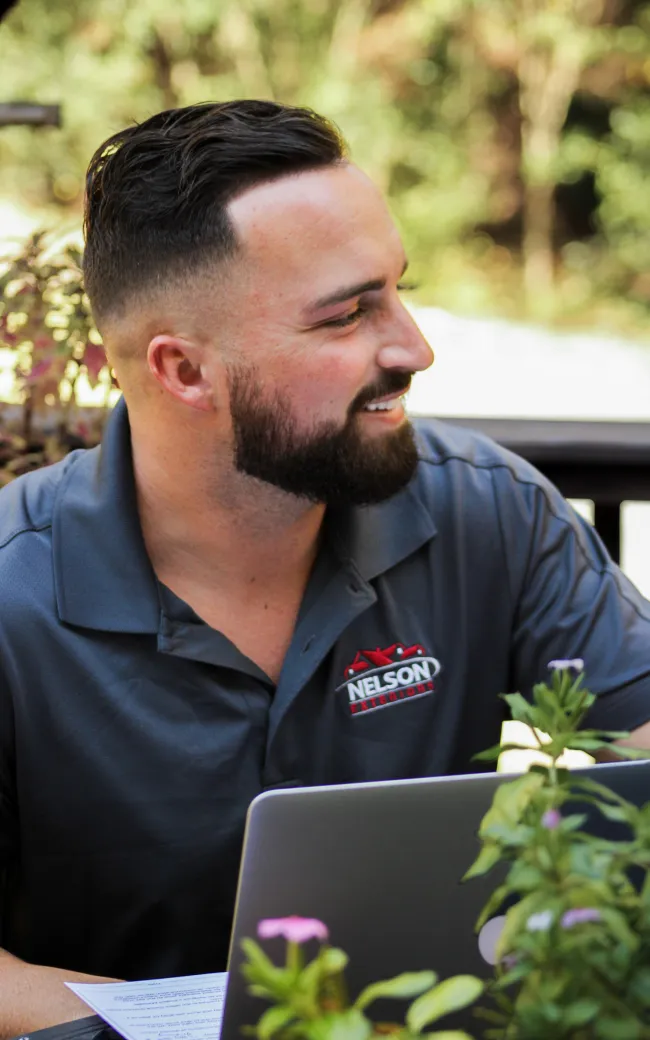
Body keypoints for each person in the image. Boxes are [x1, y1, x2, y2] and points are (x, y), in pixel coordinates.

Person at [1, 99, 649, 1036]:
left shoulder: (488, 509)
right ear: (183, 372)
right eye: (348, 314)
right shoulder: (16, 590)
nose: (414, 348)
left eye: (398, 289)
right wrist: (251, 1024)